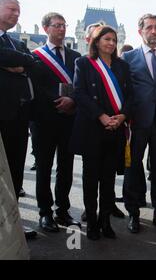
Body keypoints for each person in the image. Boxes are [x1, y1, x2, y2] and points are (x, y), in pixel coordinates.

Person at [71, 25, 133, 240]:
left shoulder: (122, 66)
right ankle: (92, 223)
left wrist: (123, 116)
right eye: (106, 39)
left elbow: (130, 96)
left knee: (108, 180)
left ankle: (106, 221)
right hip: (93, 129)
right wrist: (101, 116)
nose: (111, 43)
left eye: (114, 40)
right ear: (96, 42)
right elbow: (79, 93)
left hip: (115, 129)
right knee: (90, 180)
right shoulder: (83, 63)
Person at [122, 14, 156, 233]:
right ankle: (133, 214)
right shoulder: (128, 57)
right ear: (140, 31)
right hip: (137, 121)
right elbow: (123, 90)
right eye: (150, 28)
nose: (154, 31)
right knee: (133, 167)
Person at [31, 12, 81, 232]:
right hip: (44, 120)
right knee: (44, 167)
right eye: (57, 25)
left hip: (69, 119)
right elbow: (34, 86)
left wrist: (72, 100)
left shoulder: (76, 56)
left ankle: (63, 209)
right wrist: (58, 100)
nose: (62, 29)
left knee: (66, 167)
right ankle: (45, 212)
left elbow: (82, 86)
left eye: (64, 25)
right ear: (46, 29)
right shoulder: (34, 56)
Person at [0, 0, 37, 239]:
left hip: (18, 117)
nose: (16, 14)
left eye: (19, 11)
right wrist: (18, 61)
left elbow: (32, 61)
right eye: (12, 9)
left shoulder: (13, 42)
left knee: (14, 173)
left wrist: (19, 62)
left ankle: (12, 224)